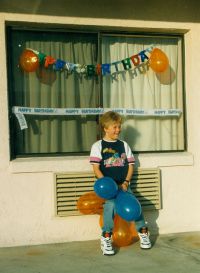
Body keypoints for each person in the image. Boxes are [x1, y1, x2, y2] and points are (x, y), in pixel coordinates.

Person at [89, 111, 151, 255]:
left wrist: (126, 182)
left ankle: (143, 233)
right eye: (115, 127)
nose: (118, 130)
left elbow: (130, 166)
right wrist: (108, 184)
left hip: (123, 185)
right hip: (109, 188)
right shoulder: (98, 146)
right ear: (105, 128)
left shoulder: (123, 145)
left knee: (135, 205)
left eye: (119, 127)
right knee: (110, 206)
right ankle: (106, 238)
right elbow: (96, 168)